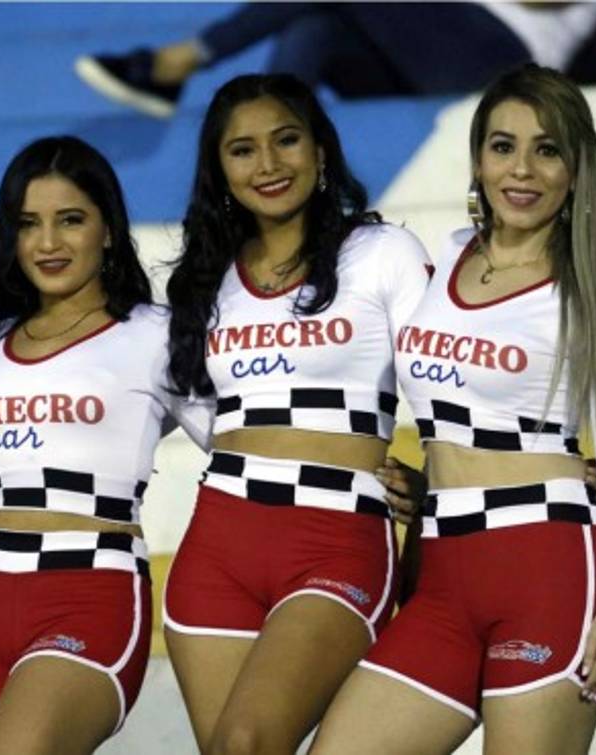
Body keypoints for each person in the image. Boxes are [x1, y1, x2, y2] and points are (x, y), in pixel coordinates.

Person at [310, 64, 596, 754]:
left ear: (577, 168)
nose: (521, 169)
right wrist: (422, 473)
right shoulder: (449, 255)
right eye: (503, 146)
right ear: (477, 159)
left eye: (547, 149)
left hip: (546, 568)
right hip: (440, 577)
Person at [0, 135, 214, 755]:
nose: (48, 243)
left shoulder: (154, 336)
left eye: (70, 220)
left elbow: (237, 443)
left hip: (88, 594)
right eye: (29, 224)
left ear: (107, 229)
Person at [162, 73, 431, 754]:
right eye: (243, 150)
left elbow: (447, 376)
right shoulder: (206, 278)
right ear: (219, 169)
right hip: (219, 541)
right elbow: (195, 402)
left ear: (320, 149)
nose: (269, 164)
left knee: (245, 741)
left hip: (336, 537)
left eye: (286, 140)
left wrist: (438, 479)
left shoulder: (383, 254)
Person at [74, 3, 596, 119]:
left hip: (504, 61)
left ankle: (179, 61)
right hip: (427, 51)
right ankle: (280, 143)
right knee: (315, 25)